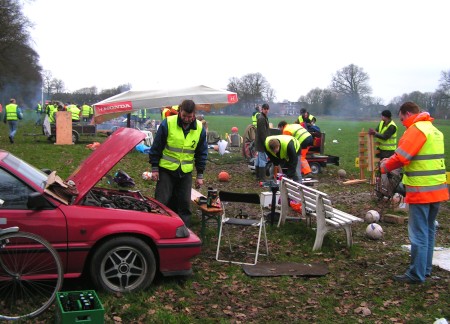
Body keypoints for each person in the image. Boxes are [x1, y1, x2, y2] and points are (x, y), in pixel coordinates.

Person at [380, 101, 449, 284]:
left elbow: (402, 156)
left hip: (421, 190)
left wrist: (385, 165)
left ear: (407, 113)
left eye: (402, 118)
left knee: (418, 233)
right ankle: (425, 270)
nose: (402, 122)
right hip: (438, 188)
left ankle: (415, 274)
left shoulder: (416, 129)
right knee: (428, 230)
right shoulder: (434, 130)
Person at [149, 99, 208, 226]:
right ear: (180, 111)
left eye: (190, 117)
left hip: (185, 172)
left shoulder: (199, 128)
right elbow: (157, 147)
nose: (187, 119)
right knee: (161, 202)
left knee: (184, 205)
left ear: (194, 114)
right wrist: (154, 168)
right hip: (166, 170)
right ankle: (158, 227)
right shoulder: (168, 123)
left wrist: (200, 175)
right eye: (184, 116)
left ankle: (183, 231)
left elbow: (201, 153)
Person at [254, 103, 270, 181]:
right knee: (263, 159)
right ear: (262, 109)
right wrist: (266, 142)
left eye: (267, 109)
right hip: (262, 142)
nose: (266, 110)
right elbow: (262, 132)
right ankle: (262, 177)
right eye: (265, 109)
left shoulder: (264, 117)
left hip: (259, 142)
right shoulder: (261, 119)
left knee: (258, 160)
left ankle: (257, 176)